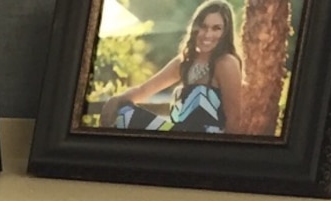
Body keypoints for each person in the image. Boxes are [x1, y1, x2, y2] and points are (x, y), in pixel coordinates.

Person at [100, 0, 247, 135]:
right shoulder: (185, 62)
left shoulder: (226, 63)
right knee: (123, 112)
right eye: (203, 27)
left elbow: (234, 119)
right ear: (195, 29)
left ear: (225, 32)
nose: (208, 34)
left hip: (207, 144)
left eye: (216, 28)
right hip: (178, 137)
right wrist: (116, 100)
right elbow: (144, 90)